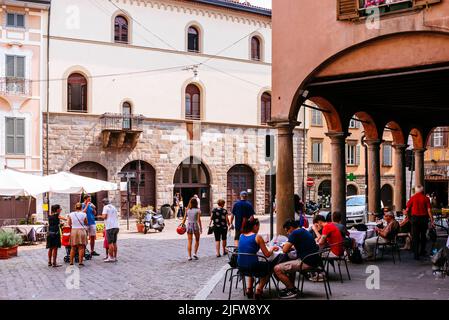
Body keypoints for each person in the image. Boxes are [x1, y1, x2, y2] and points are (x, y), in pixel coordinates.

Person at [274, 219, 321, 299]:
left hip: (306, 262)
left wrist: (286, 246)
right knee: (289, 263)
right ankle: (290, 286)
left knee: (277, 268)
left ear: (291, 227)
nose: (287, 233)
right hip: (313, 260)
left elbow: (285, 250)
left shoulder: (295, 233)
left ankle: (292, 290)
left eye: (287, 230)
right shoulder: (303, 230)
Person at [238, 217, 279, 300]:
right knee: (269, 268)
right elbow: (267, 254)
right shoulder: (258, 237)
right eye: (258, 226)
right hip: (252, 266)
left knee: (251, 264)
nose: (259, 228)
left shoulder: (241, 235)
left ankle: (249, 289)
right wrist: (272, 249)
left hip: (240, 265)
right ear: (255, 226)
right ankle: (259, 290)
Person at [404, 185, 435, 260]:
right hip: (424, 219)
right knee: (423, 235)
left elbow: (407, 210)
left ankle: (416, 254)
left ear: (416, 191)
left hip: (415, 219)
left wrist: (408, 217)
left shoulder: (412, 198)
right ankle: (422, 251)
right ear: (422, 191)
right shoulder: (426, 198)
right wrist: (432, 220)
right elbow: (429, 211)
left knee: (415, 236)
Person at [99, 198, 119, 263]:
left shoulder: (105, 207)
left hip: (110, 227)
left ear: (103, 203)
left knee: (110, 243)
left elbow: (104, 216)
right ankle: (115, 257)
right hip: (116, 226)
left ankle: (110, 257)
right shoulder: (114, 207)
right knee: (114, 242)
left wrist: (100, 216)